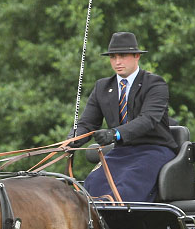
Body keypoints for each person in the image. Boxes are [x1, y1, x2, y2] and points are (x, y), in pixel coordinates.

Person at [72, 31, 178, 201]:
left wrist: (115, 133)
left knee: (127, 186)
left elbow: (148, 119)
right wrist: (74, 138)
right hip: (122, 151)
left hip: (154, 149)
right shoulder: (102, 87)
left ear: (137, 56)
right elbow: (88, 123)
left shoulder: (155, 84)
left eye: (122, 56)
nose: (117, 62)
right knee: (93, 182)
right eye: (113, 57)